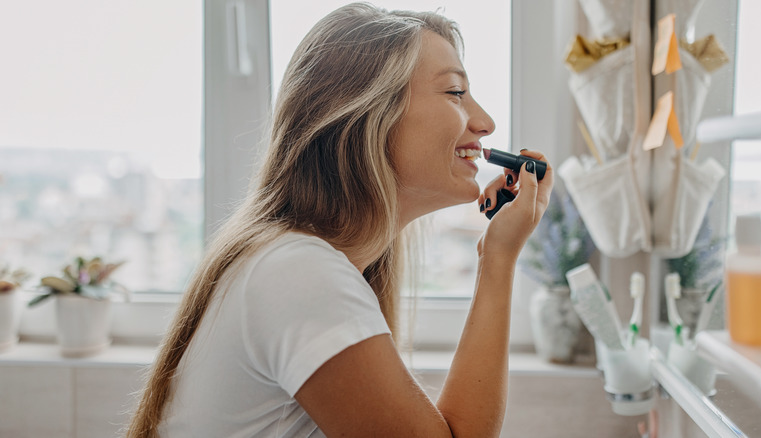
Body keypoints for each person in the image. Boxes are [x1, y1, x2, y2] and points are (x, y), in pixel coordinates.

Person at [126, 3, 553, 437]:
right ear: (367, 115)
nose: (485, 122)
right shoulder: (300, 274)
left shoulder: (300, 263)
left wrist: (496, 252)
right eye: (455, 93)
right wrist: (497, 260)